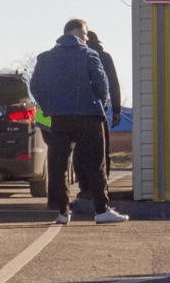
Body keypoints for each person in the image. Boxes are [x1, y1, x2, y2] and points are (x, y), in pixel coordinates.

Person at [30, 18, 129, 225]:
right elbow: (102, 85)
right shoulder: (90, 55)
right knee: (96, 164)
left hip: (59, 119)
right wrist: (98, 106)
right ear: (76, 33)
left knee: (58, 165)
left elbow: (35, 86)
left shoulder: (46, 58)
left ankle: (62, 212)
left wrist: (49, 107)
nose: (87, 38)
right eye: (85, 34)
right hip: (89, 117)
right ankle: (101, 210)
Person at [83, 28, 121, 180]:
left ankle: (84, 187)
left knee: (81, 150)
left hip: (76, 111)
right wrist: (116, 111)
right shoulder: (105, 57)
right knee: (102, 150)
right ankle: (103, 185)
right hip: (99, 112)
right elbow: (113, 85)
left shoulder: (76, 56)